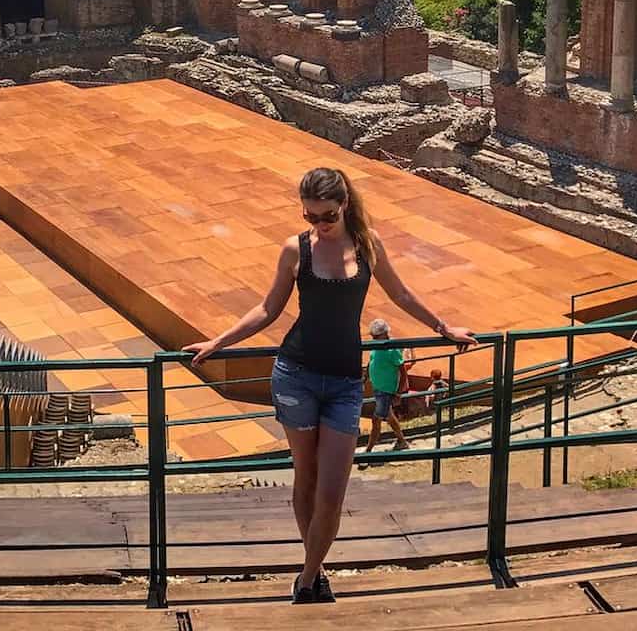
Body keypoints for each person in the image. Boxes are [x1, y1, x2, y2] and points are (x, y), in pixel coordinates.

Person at [184, 167, 475, 605]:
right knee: (307, 476)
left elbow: (401, 294)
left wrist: (443, 326)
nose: (318, 224)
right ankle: (314, 576)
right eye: (309, 216)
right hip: (295, 373)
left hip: (343, 382)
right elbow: (267, 309)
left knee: (333, 490)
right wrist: (219, 342)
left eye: (326, 216)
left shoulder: (367, 243)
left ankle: (306, 575)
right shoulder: (294, 249)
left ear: (344, 205)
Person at [363, 318, 414, 459]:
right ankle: (402, 441)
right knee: (390, 418)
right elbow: (371, 361)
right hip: (378, 388)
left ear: (384, 334)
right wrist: (366, 377)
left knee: (376, 420)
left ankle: (368, 450)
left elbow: (402, 371)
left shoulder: (392, 349)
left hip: (386, 391)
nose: (373, 338)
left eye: (375, 336)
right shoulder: (377, 346)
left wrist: (398, 393)